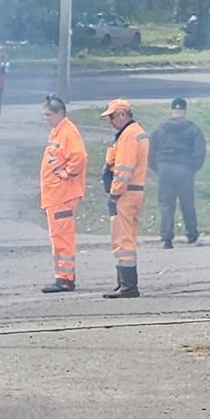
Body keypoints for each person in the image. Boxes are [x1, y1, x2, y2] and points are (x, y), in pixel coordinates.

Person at [38, 95, 88, 293]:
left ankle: (65, 279)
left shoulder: (67, 132)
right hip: (56, 195)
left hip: (62, 195)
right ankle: (62, 277)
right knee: (58, 236)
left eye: (48, 115)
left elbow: (79, 157)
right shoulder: (58, 131)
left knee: (62, 237)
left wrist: (66, 173)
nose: (45, 119)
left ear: (60, 113)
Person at [100, 98, 149, 298]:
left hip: (126, 193)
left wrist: (115, 192)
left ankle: (128, 286)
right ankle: (124, 283)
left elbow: (123, 168)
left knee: (123, 238)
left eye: (112, 116)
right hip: (133, 191)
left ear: (122, 115)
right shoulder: (136, 132)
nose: (111, 121)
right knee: (125, 236)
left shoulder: (129, 135)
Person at [149, 96, 206, 248]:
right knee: (187, 203)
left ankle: (166, 238)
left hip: (165, 168)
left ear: (172, 110)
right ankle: (192, 235)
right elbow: (200, 151)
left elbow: (151, 150)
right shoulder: (192, 128)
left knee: (166, 204)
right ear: (184, 111)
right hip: (184, 169)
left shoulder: (160, 128)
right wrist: (193, 167)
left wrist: (158, 167)